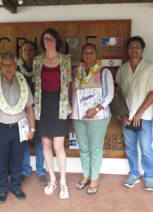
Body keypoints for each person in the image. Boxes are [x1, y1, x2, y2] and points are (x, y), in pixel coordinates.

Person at [0, 52, 35, 204]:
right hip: (1, 129)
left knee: (18, 160)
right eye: (4, 64)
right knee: (2, 161)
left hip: (20, 128)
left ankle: (15, 186)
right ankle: (2, 188)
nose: (8, 67)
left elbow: (29, 109)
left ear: (15, 66)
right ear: (0, 66)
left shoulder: (23, 84)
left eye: (10, 64)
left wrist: (32, 129)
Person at [116, 36, 153, 191]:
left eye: (137, 47)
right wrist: (122, 114)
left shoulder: (150, 67)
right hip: (126, 118)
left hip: (144, 117)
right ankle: (134, 174)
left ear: (142, 49)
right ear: (127, 50)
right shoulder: (122, 69)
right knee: (130, 147)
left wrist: (139, 113)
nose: (133, 49)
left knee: (146, 149)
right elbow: (118, 94)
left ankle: (149, 176)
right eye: (131, 47)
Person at [32, 28, 72, 199]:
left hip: (59, 104)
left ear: (57, 41)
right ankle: (52, 180)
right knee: (46, 146)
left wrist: (65, 105)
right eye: (46, 38)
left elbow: (68, 85)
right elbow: (35, 84)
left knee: (58, 147)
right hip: (42, 105)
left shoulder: (65, 61)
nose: (49, 41)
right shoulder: (37, 61)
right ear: (43, 41)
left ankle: (63, 182)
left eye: (52, 39)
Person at [71, 43, 114, 195]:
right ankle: (86, 176)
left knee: (95, 149)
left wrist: (95, 110)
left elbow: (109, 94)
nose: (88, 55)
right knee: (83, 148)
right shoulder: (76, 71)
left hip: (98, 117)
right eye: (86, 52)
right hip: (78, 117)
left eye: (91, 52)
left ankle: (94, 179)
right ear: (82, 55)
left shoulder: (104, 72)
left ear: (96, 55)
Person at [17, 41, 47, 185]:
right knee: (23, 142)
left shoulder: (41, 67)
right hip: (21, 111)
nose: (27, 52)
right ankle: (25, 170)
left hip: (39, 109)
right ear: (22, 52)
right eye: (25, 49)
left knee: (40, 142)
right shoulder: (16, 69)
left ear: (35, 52)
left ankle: (41, 171)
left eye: (30, 49)